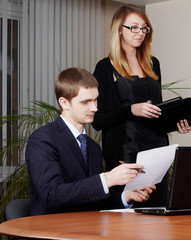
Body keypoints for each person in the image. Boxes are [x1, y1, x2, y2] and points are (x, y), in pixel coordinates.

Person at [92, 4, 191, 207]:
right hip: (125, 153)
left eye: (144, 27)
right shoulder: (104, 67)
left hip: (157, 151)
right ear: (119, 29)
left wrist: (177, 123)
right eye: (134, 27)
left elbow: (157, 111)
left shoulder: (152, 63)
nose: (141, 33)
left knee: (158, 213)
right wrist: (131, 109)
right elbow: (97, 120)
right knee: (129, 215)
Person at [25, 68, 155, 216]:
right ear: (64, 103)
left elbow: (92, 204)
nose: (94, 108)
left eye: (95, 100)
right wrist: (107, 179)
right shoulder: (42, 140)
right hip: (51, 232)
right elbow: (52, 196)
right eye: (86, 102)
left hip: (86, 230)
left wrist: (126, 197)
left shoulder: (92, 147)